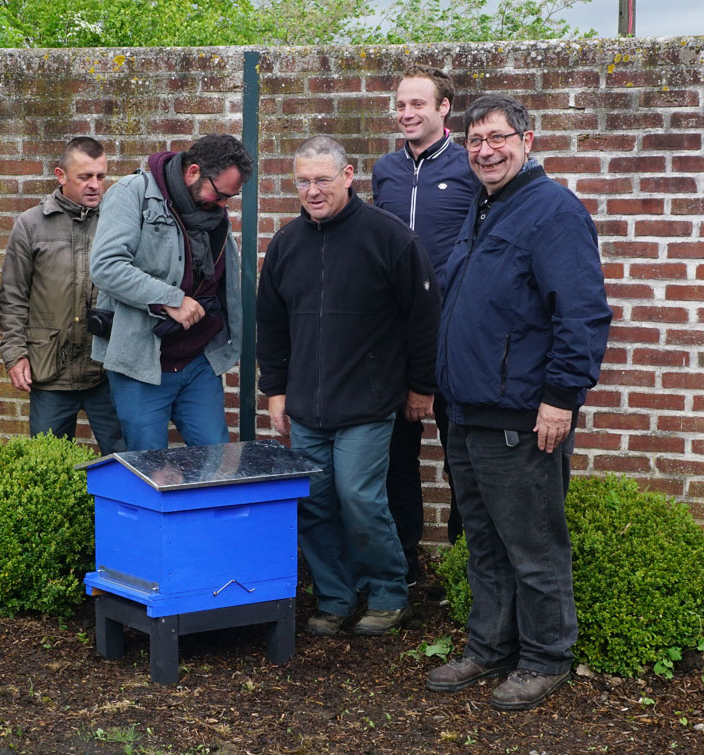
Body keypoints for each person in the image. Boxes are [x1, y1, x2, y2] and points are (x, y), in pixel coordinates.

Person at [425, 95, 612, 710]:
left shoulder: (552, 212)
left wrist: (561, 398)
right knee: (483, 542)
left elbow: (581, 313)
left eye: (498, 138)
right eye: (476, 140)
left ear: (527, 141)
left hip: (522, 421)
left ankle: (546, 657)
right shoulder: (484, 209)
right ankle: (489, 647)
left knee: (533, 548)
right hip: (468, 414)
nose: (486, 150)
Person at [257, 135, 439, 637]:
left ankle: (386, 592)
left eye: (323, 179)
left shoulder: (390, 238)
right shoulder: (287, 244)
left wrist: (421, 387)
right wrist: (275, 393)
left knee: (359, 497)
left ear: (348, 175)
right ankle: (335, 596)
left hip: (369, 402)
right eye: (303, 181)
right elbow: (270, 326)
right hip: (306, 407)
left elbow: (425, 319)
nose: (313, 190)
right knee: (315, 502)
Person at [371, 64, 478, 581]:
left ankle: (465, 563)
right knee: (397, 456)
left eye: (418, 104)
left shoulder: (469, 167)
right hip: (395, 336)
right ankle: (405, 561)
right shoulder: (384, 170)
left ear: (444, 109)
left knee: (463, 455)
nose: (406, 113)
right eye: (400, 104)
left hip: (455, 332)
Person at [88, 133, 252, 451]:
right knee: (148, 469)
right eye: (219, 195)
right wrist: (171, 300)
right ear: (193, 172)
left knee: (216, 461)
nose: (222, 206)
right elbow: (106, 267)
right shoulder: (132, 193)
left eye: (228, 200)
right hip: (142, 363)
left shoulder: (212, 213)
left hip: (198, 362)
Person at [0, 136, 125, 453]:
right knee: (48, 463)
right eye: (85, 176)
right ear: (60, 175)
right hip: (50, 371)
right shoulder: (30, 225)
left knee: (126, 461)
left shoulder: (119, 222)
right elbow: (13, 297)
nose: (95, 185)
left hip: (107, 371)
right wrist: (15, 354)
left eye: (101, 176)